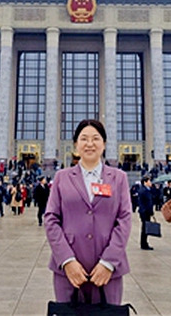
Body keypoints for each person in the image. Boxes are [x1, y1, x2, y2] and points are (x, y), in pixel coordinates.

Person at [44, 119, 132, 305]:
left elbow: (124, 219)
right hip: (69, 271)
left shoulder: (119, 178)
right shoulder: (62, 177)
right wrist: (67, 260)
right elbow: (51, 219)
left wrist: (108, 262)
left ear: (104, 144)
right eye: (84, 139)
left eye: (95, 138)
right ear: (76, 145)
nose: (90, 144)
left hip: (108, 272)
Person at [138, 175, 155, 250]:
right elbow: (149, 202)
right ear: (145, 182)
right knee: (145, 228)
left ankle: (144, 243)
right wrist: (151, 212)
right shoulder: (145, 191)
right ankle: (144, 244)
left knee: (145, 228)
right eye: (149, 181)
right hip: (145, 212)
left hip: (144, 211)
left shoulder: (145, 189)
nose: (150, 182)